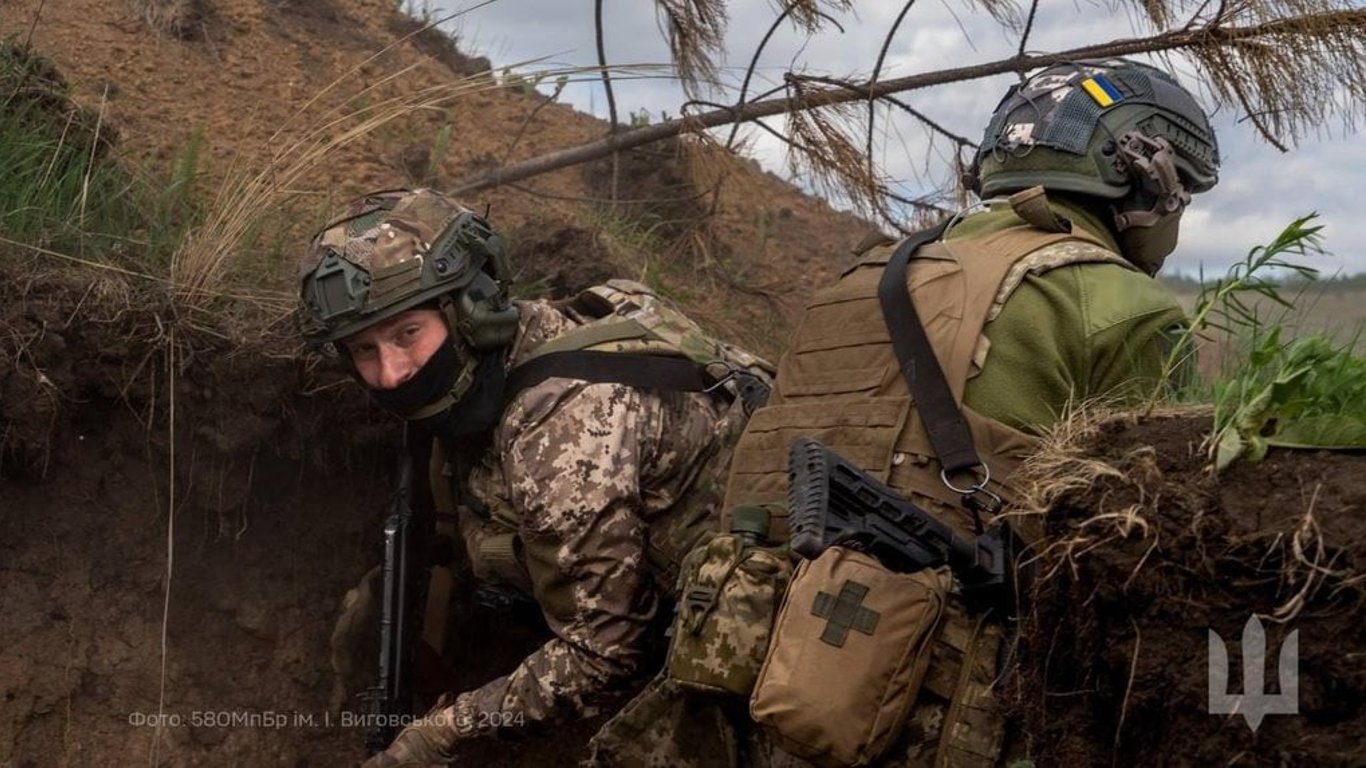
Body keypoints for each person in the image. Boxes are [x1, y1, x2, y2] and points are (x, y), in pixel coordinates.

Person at [717, 57, 1220, 767]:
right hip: (930, 699)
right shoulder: (1125, 307)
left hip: (747, 664)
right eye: (1181, 196)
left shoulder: (861, 277)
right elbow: (1151, 549)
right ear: (1150, 180)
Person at [294, 188, 772, 767]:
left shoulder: (561, 425)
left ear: (471, 309)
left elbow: (605, 656)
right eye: (363, 350)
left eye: (407, 334)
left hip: (765, 641)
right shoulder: (528, 338)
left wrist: (438, 736)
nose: (391, 374)